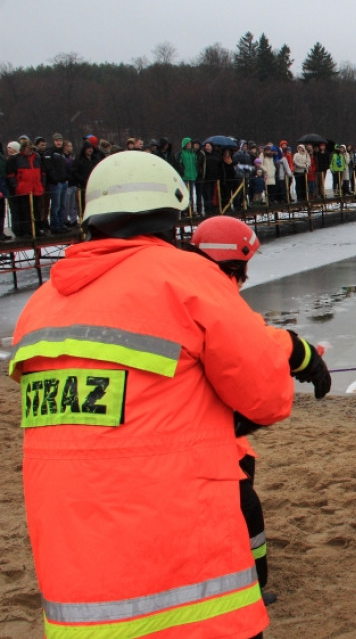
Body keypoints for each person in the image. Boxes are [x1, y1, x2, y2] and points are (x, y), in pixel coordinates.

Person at [10, 151, 309, 638]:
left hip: (76, 588)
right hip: (183, 574)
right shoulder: (186, 278)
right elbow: (268, 396)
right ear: (172, 215)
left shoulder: (41, 305)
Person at [190, 215, 332, 608]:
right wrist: (303, 357)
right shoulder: (209, 294)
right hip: (196, 438)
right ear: (238, 262)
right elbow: (250, 354)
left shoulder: (186, 284)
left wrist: (298, 352)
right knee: (242, 507)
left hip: (177, 428)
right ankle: (248, 585)